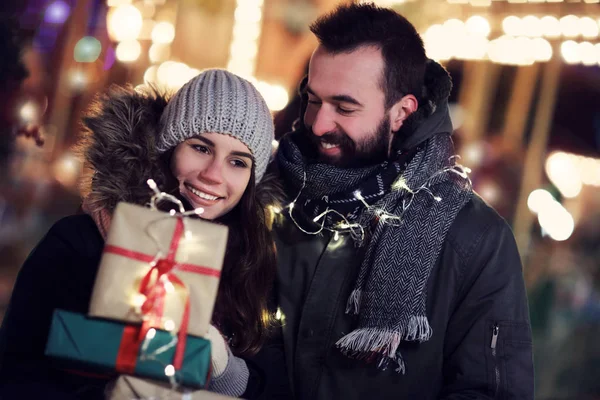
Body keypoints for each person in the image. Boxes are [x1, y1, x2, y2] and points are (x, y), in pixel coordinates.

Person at [272, 3, 534, 399]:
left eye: (344, 107)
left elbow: (490, 391)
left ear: (401, 112)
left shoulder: (475, 238)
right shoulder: (271, 192)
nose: (320, 124)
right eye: (312, 100)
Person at [0, 69, 291, 399]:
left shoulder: (255, 267)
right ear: (168, 147)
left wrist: (225, 369)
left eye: (238, 162)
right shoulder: (80, 242)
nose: (213, 175)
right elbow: (17, 372)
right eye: (201, 148)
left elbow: (274, 386)